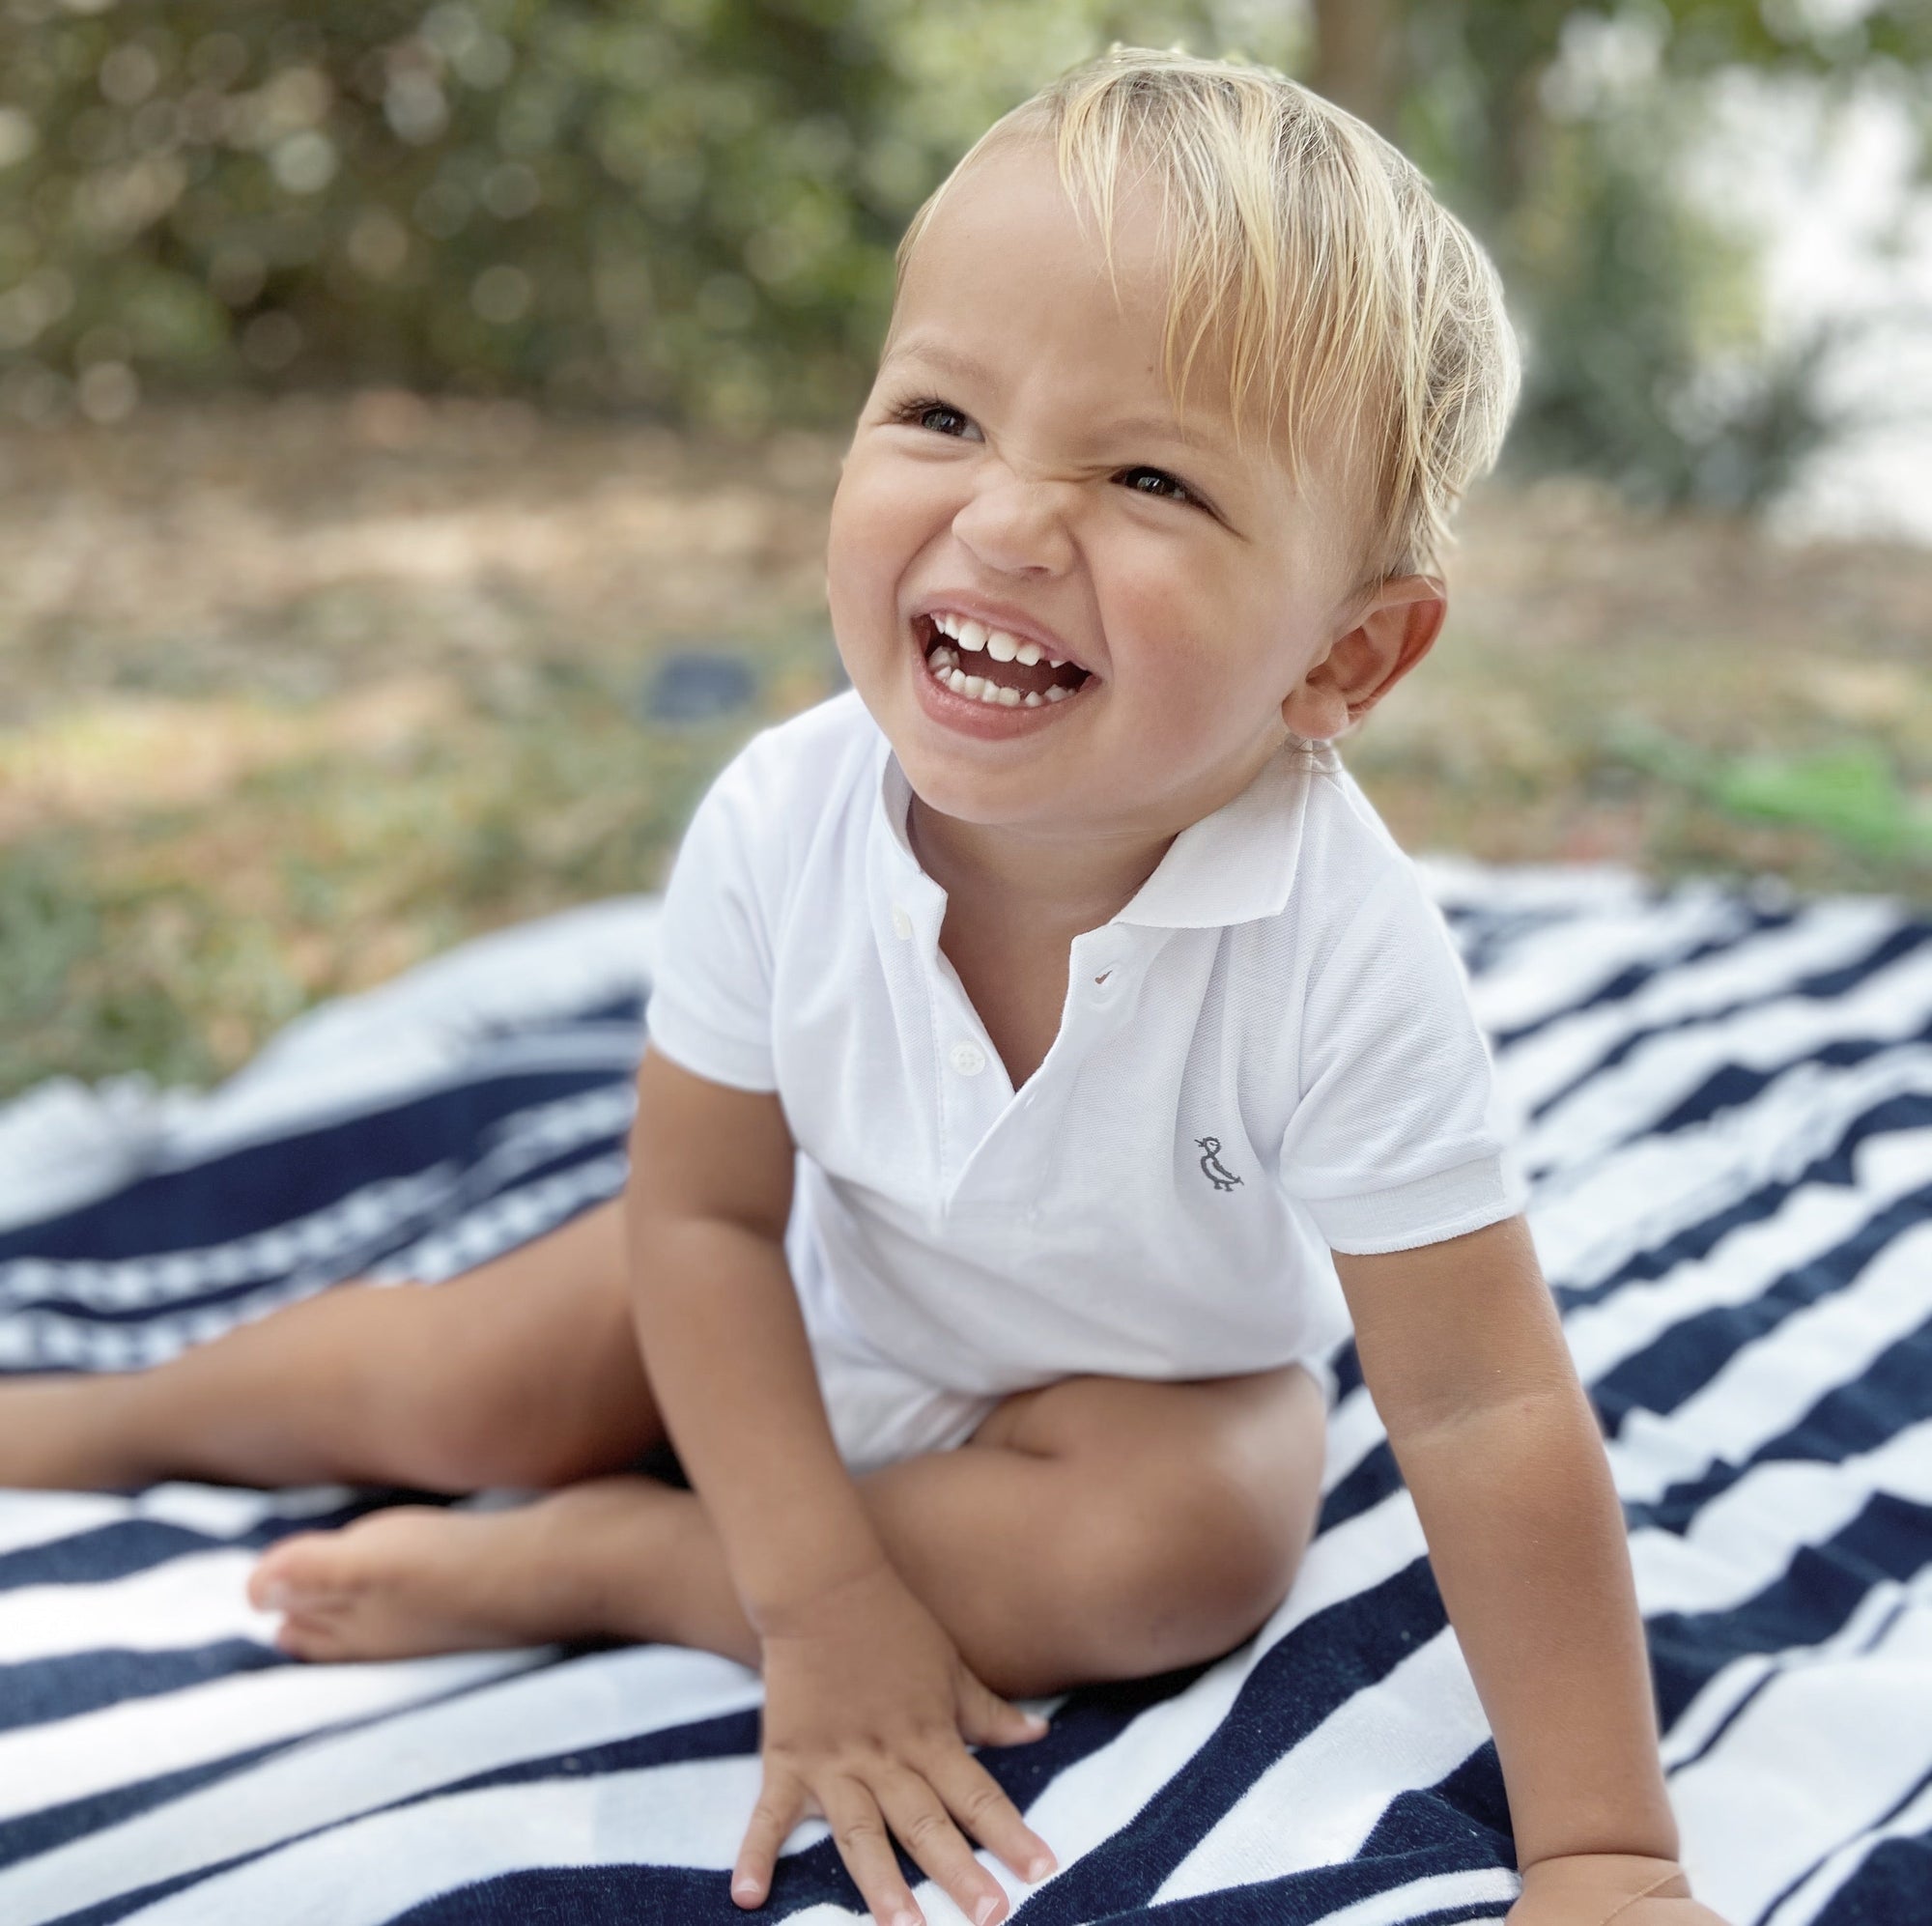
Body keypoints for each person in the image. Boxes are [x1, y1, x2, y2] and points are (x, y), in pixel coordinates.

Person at [0, 47, 1726, 1926]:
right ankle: (90, 1420)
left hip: (1126, 1390)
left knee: (1192, 1545)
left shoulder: (1339, 937)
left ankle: (618, 1563)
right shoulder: (782, 817)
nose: (1008, 521)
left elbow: (1478, 1404)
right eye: (941, 415)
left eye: (1151, 476)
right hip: (799, 1277)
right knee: (460, 1381)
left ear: (1349, 657)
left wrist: (1605, 1851)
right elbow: (702, 1224)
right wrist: (820, 1599)